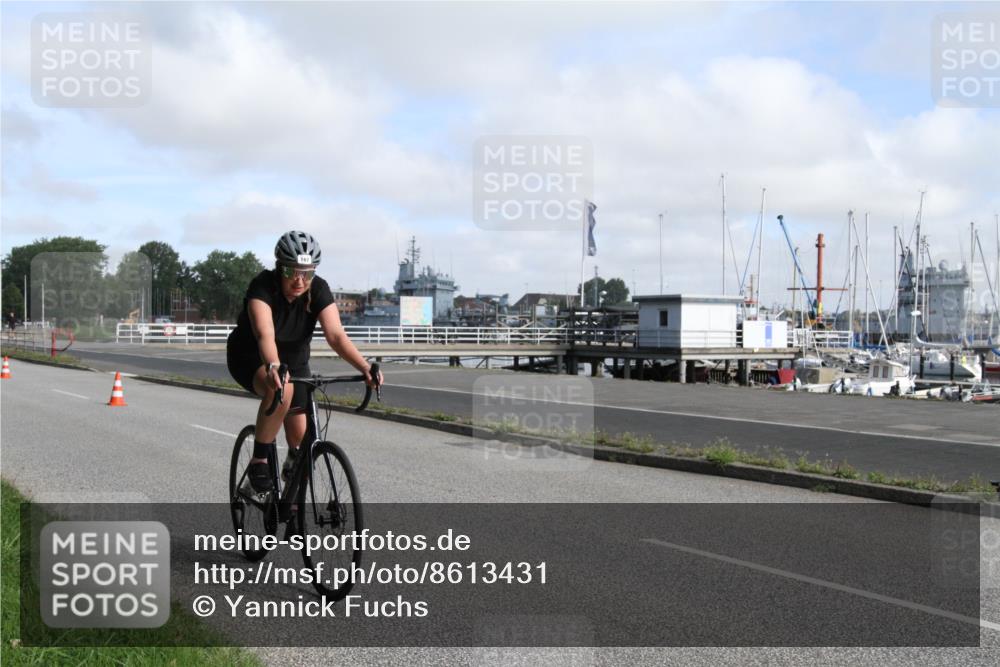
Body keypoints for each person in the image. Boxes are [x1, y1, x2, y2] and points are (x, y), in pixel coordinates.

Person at [227, 231, 382, 493]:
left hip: (295, 361)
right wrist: (274, 365)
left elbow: (335, 336)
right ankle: (259, 461)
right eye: (292, 272)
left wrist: (365, 367)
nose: (300, 280)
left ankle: (293, 514)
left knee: (301, 447)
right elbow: (265, 334)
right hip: (253, 355)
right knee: (282, 390)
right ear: (280, 268)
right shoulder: (263, 286)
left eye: (307, 273)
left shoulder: (318, 289)